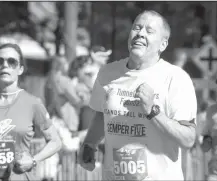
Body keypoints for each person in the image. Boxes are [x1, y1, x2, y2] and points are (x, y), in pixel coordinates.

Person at [78, 10, 197, 180]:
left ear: (163, 45)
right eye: (137, 28)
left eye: (149, 31)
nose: (140, 34)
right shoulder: (107, 73)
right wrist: (90, 143)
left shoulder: (176, 78)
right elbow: (102, 113)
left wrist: (153, 111)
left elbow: (188, 139)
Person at [0, 43, 62, 181]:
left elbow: (55, 141)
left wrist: (33, 160)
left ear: (20, 69)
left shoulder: (33, 103)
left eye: (12, 61)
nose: (5, 65)